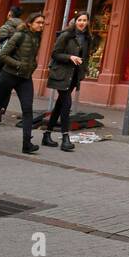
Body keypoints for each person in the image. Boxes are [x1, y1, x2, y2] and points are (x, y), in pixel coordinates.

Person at [0, 13, 45, 154]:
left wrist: (33, 65)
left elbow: (32, 56)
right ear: (30, 23)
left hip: (25, 78)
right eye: (38, 22)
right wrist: (18, 64)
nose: (41, 25)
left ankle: (27, 144)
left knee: (27, 109)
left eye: (42, 23)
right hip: (8, 76)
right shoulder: (19, 36)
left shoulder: (37, 37)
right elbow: (3, 55)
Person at [43, 12, 93, 152]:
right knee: (67, 104)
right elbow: (55, 54)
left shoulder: (88, 38)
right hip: (62, 74)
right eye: (80, 20)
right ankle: (65, 138)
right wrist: (70, 57)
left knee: (60, 105)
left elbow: (86, 57)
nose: (82, 23)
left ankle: (47, 135)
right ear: (75, 21)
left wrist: (83, 71)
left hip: (74, 76)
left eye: (85, 20)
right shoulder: (66, 35)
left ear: (88, 22)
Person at [0, 6, 24, 125]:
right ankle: (3, 107)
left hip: (3, 58)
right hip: (15, 60)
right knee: (7, 87)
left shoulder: (6, 26)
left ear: (10, 14)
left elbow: (4, 43)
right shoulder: (24, 28)